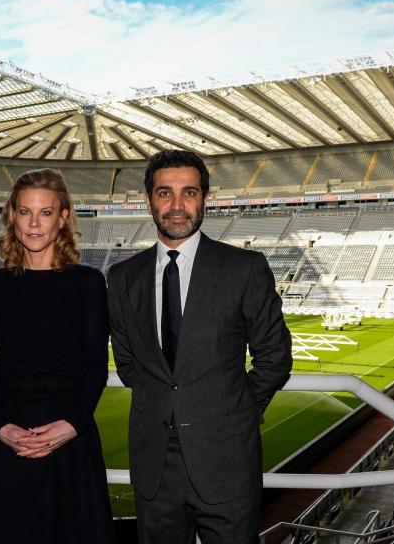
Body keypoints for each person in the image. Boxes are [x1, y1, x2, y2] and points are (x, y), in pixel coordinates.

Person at [107, 150, 293, 544]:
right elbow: (127, 362)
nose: (177, 205)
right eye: (164, 193)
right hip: (155, 466)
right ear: (148, 200)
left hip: (227, 459)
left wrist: (237, 411)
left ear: (205, 198)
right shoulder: (123, 277)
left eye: (188, 192)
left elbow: (275, 358)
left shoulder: (244, 268)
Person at [0, 168, 114, 544]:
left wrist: (73, 424)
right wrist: (0, 425)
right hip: (9, 436)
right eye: (24, 212)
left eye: (45, 212)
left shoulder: (88, 282)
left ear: (63, 217)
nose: (34, 223)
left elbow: (96, 364)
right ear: (11, 215)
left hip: (70, 437)